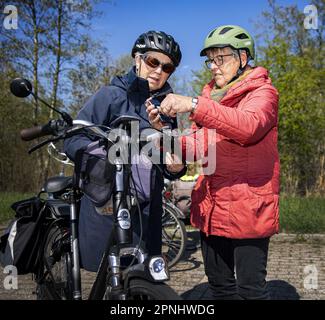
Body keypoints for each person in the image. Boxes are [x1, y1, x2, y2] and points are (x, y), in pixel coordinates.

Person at [147, 25, 279, 300]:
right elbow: (196, 148)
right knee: (220, 289)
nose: (214, 67)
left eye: (222, 59)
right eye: (211, 60)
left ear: (243, 58)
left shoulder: (263, 93)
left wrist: (194, 105)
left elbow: (248, 127)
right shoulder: (209, 98)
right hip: (212, 208)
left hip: (247, 208)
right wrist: (164, 133)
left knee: (251, 292)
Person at [64, 30, 186, 272]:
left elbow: (168, 162)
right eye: (153, 61)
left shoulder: (167, 109)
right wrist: (103, 163)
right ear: (137, 59)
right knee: (111, 279)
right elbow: (73, 138)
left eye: (167, 67)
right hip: (108, 207)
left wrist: (177, 166)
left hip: (148, 215)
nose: (159, 71)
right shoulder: (110, 96)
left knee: (144, 281)